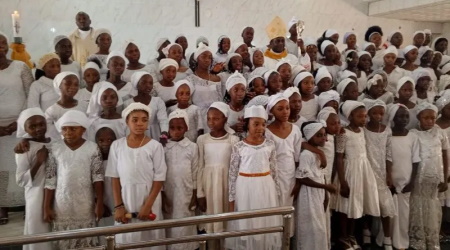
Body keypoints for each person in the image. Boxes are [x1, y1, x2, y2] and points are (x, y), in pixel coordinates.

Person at [106, 103, 166, 250]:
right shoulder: (117, 146)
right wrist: (119, 206)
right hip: (126, 200)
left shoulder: (155, 146)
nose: (140, 123)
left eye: (144, 120)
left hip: (149, 200)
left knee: (149, 240)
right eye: (135, 119)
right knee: (127, 240)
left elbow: (159, 179)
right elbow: (115, 178)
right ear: (127, 122)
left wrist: (147, 206)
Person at [44, 110, 104, 249]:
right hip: (61, 203)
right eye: (64, 129)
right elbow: (50, 179)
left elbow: (98, 177)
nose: (68, 132)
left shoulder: (92, 148)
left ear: (83, 129)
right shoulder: (55, 148)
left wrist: (99, 202)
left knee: (85, 239)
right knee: (64, 240)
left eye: (73, 129)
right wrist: (46, 207)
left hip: (85, 203)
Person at [227, 105, 281, 250]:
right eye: (256, 124)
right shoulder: (239, 146)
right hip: (245, 187)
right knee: (247, 223)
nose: (260, 128)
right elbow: (232, 174)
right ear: (247, 125)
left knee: (264, 222)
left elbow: (274, 171)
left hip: (265, 187)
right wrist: (231, 200)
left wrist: (276, 194)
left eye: (263, 124)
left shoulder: (270, 144)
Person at [334, 100, 380, 250]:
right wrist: (343, 181)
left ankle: (352, 234)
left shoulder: (362, 131)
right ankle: (343, 236)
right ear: (350, 116)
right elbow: (339, 157)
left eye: (365, 116)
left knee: (357, 205)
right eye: (360, 116)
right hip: (349, 172)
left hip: (362, 170)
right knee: (346, 206)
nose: (364, 119)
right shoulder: (343, 133)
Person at [0, 30, 34, 224]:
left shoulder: (20, 67)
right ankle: (2, 207)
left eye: (3, 42)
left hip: (19, 125)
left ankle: (26, 204)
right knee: (0, 169)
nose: (1, 46)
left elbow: (31, 94)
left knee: (21, 165)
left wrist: (21, 122)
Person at [196, 102, 239, 249]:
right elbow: (200, 167)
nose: (211, 122)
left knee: (227, 226)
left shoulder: (233, 140)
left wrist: (234, 193)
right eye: (209, 118)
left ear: (225, 119)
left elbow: (234, 169)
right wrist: (200, 193)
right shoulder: (202, 139)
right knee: (212, 226)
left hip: (226, 187)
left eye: (216, 118)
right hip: (209, 187)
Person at [409, 102, 449, 250]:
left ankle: (431, 237)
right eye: (426, 118)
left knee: (432, 205)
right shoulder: (413, 134)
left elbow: (445, 155)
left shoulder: (439, 132)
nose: (430, 121)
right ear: (419, 117)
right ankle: (418, 238)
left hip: (435, 178)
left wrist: (445, 178)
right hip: (419, 177)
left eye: (432, 118)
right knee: (418, 204)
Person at [293, 121, 335, 250]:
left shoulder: (317, 153)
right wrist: (326, 187)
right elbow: (303, 178)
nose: (324, 138)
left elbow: (321, 175)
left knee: (319, 227)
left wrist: (326, 195)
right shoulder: (306, 155)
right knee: (311, 228)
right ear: (310, 137)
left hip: (318, 194)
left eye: (324, 135)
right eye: (319, 135)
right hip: (308, 195)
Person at [265, 94, 302, 238]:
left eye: (287, 108)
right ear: (272, 111)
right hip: (273, 177)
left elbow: (297, 158)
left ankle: (286, 240)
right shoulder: (267, 132)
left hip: (290, 176)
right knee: (274, 208)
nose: (285, 111)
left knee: (288, 209)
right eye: (280, 109)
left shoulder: (295, 130)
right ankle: (273, 240)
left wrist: (298, 180)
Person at [14, 108, 52, 250]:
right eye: (32, 126)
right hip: (36, 196)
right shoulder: (25, 149)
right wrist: (38, 162)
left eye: (41, 124)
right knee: (38, 229)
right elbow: (21, 180)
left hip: (56, 193)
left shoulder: (54, 141)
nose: (38, 129)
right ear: (25, 128)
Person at [162, 109, 199, 250]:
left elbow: (195, 171)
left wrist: (195, 194)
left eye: (180, 128)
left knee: (185, 222)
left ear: (186, 128)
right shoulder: (163, 147)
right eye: (172, 128)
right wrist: (162, 193)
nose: (176, 131)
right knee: (169, 222)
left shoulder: (192, 147)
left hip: (186, 191)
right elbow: (159, 173)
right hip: (169, 192)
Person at [361, 99, 396, 249]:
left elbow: (389, 154)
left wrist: (389, 173)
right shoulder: (363, 129)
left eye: (381, 113)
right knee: (368, 202)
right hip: (367, 170)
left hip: (381, 170)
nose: (378, 116)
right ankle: (366, 232)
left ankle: (387, 238)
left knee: (385, 205)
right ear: (368, 113)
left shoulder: (387, 130)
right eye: (374, 112)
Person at [385, 104, 420, 250]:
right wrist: (388, 179)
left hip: (406, 180)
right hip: (390, 180)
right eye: (400, 116)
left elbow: (416, 160)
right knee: (389, 211)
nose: (404, 119)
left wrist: (412, 181)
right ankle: (387, 238)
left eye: (406, 116)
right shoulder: (387, 135)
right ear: (393, 117)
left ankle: (401, 242)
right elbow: (385, 158)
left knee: (404, 214)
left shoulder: (412, 136)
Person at [186, 43, 222, 132]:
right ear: (197, 58)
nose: (207, 60)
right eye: (204, 56)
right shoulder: (190, 79)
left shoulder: (216, 79)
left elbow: (220, 101)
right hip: (198, 120)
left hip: (215, 119)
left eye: (210, 57)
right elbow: (189, 103)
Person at [124, 72, 168, 143]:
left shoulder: (158, 101)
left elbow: (163, 120)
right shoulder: (128, 103)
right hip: (135, 134)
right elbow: (126, 124)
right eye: (144, 83)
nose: (148, 85)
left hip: (155, 134)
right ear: (137, 84)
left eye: (150, 83)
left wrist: (164, 133)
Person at [45, 72, 88, 139]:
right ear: (59, 85)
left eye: (76, 84)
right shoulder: (52, 110)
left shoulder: (85, 106)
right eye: (68, 84)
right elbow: (48, 132)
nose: (73, 87)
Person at [94, 125, 117, 230]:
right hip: (101, 205)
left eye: (109, 140)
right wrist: (99, 203)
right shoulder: (94, 162)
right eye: (101, 140)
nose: (105, 144)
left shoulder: (119, 161)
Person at [224, 71, 247, 139]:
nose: (240, 93)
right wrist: (231, 129)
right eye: (235, 90)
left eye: (243, 90)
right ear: (229, 91)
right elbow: (217, 131)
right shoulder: (224, 110)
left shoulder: (248, 109)